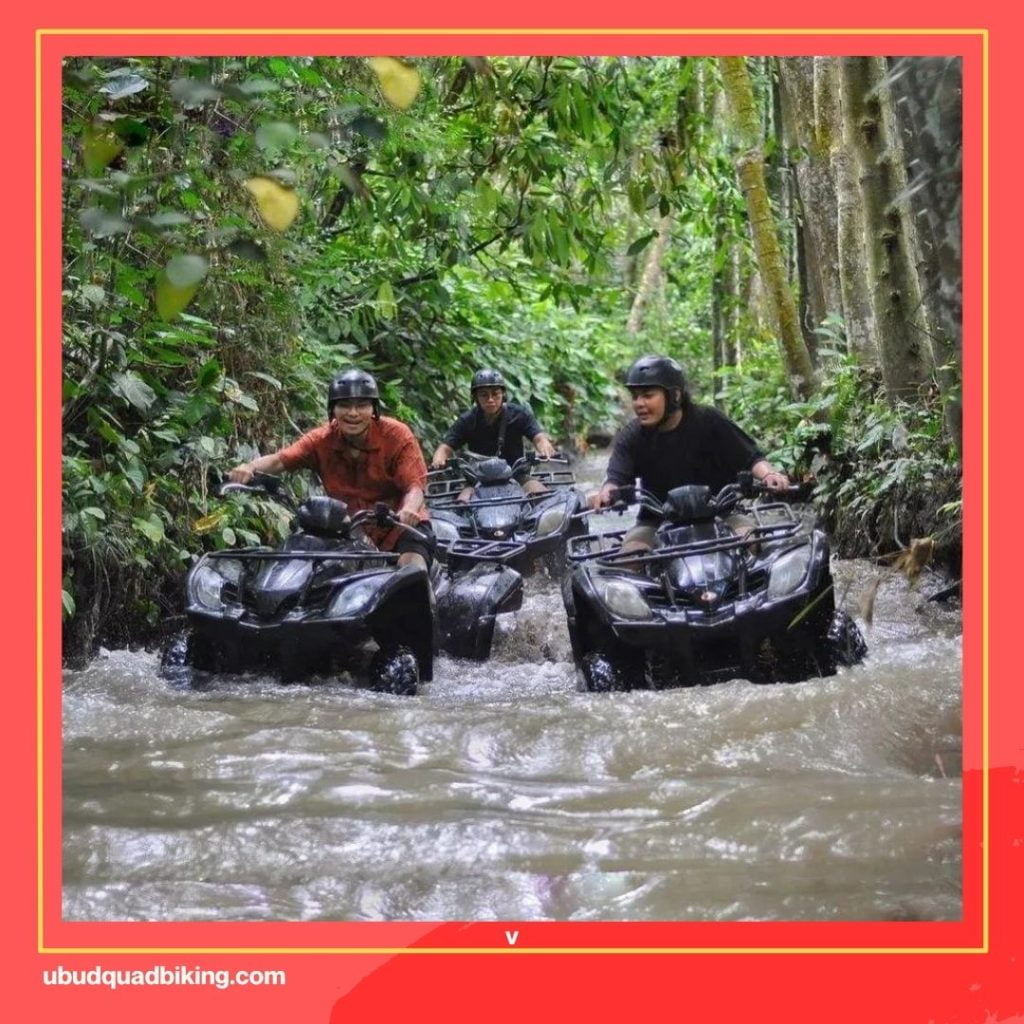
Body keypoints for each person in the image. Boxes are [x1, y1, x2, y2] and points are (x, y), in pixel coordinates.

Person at [228, 369, 433, 571]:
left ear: (373, 409)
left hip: (402, 527)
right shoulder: (322, 439)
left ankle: (428, 600)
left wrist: (409, 510)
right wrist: (249, 468)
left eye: (361, 405)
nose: (353, 413)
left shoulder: (397, 435)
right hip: (352, 530)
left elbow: (415, 486)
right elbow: (281, 460)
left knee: (413, 572)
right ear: (332, 409)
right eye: (344, 405)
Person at [590, 354, 791, 556]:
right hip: (656, 520)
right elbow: (615, 478)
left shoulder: (709, 420)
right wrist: (606, 493)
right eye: (635, 397)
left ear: (675, 395)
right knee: (631, 556)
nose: (639, 403)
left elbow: (751, 458)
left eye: (648, 395)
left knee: (750, 541)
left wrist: (769, 475)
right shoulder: (632, 436)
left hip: (722, 512)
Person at [429, 368, 558, 501]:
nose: (490, 399)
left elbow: (538, 437)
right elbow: (445, 447)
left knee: (541, 496)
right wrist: (439, 459)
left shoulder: (519, 414)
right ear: (476, 398)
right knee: (462, 503)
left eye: (495, 394)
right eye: (484, 395)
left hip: (517, 476)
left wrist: (544, 446)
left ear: (503, 394)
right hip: (478, 480)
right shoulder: (467, 420)